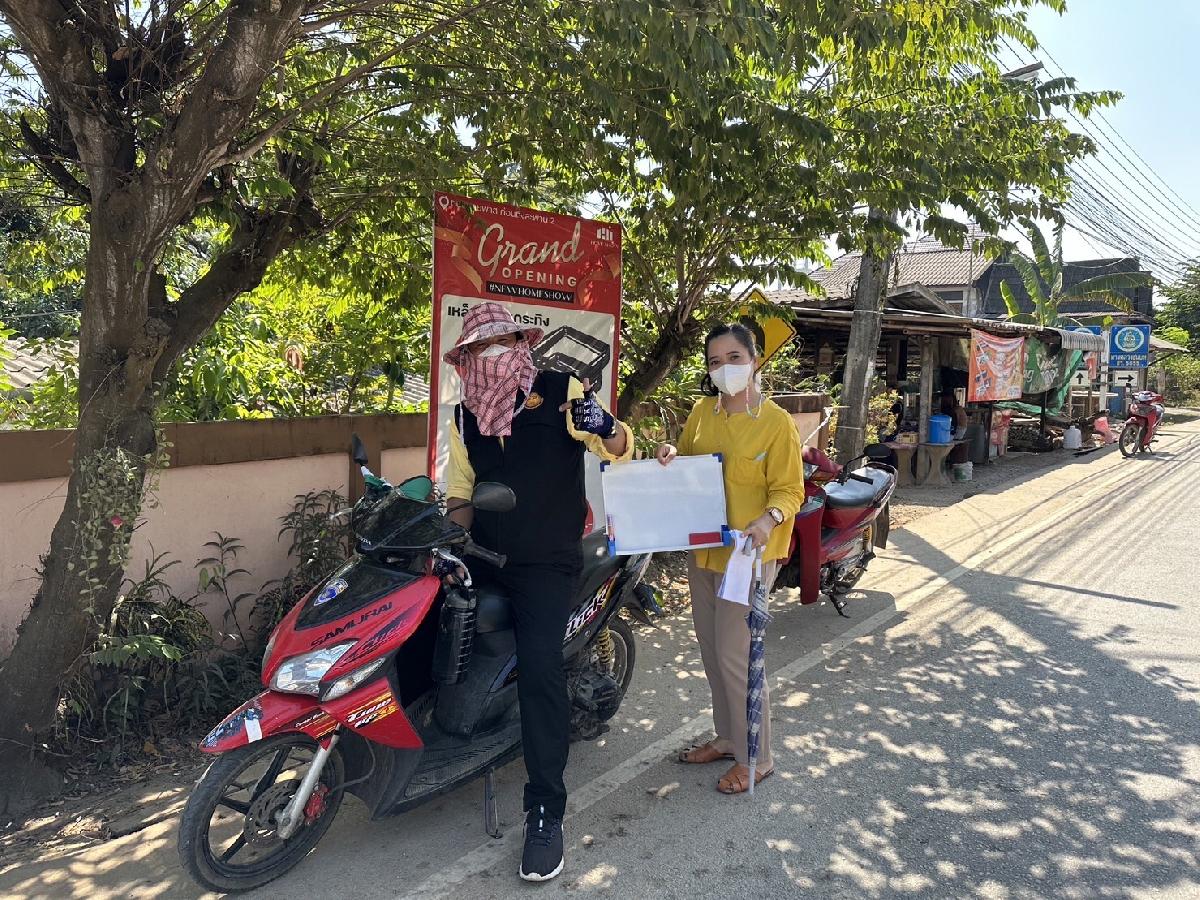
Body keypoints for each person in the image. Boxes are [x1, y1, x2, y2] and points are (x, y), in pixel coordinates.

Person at [443, 302, 632, 883]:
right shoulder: (464, 416)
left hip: (546, 563)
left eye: (502, 341)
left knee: (541, 670)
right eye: (480, 347)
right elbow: (461, 493)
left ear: (522, 342)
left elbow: (619, 447)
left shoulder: (559, 391)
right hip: (485, 557)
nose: (492, 354)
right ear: (467, 358)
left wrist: (607, 425)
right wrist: (446, 544)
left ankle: (546, 808)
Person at [654, 323, 805, 795]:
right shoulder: (703, 412)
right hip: (704, 551)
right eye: (715, 361)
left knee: (736, 656)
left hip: (749, 558)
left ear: (755, 360)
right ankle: (727, 737)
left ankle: (757, 757)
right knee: (711, 650)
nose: (725, 368)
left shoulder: (776, 422)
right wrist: (669, 454)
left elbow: (790, 490)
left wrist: (768, 519)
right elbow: (689, 465)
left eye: (734, 357)